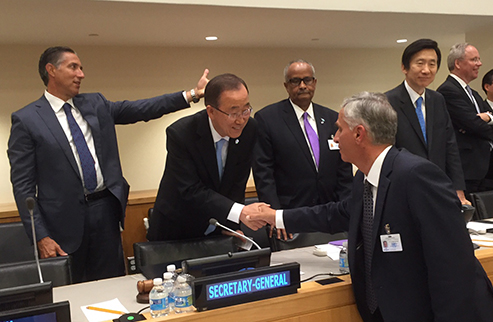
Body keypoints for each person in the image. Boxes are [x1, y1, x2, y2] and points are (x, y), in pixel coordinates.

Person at [249, 92, 493, 322]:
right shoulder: (367, 176)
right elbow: (335, 214)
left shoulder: (416, 176)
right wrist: (275, 217)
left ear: (359, 134)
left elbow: (454, 268)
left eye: (339, 129)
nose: (334, 138)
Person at [8, 46, 209, 283]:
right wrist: (41, 236)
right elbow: (23, 187)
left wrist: (191, 94)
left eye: (81, 68)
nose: (81, 74)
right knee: (72, 290)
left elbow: (140, 109)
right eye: (73, 67)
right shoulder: (27, 119)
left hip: (105, 211)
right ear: (51, 70)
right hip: (61, 225)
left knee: (111, 283)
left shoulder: (95, 103)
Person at [147, 73, 266, 242]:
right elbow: (191, 190)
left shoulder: (250, 129)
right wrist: (240, 212)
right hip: (177, 229)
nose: (241, 120)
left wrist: (232, 226)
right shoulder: (181, 134)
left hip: (218, 226)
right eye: (233, 113)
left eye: (245, 110)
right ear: (211, 111)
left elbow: (236, 183)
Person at [252, 59, 353, 240]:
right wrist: (276, 215)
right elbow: (263, 174)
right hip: (290, 216)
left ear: (314, 83)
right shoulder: (267, 119)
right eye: (295, 81)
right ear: (286, 86)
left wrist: (347, 209)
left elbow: (343, 170)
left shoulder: (331, 118)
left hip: (331, 214)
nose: (302, 85)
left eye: (307, 80)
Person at [385, 39, 468, 204]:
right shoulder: (387, 101)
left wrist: (458, 189)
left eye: (432, 64)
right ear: (404, 67)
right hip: (402, 187)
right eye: (420, 63)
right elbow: (386, 150)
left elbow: (450, 145)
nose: (426, 70)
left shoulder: (437, 100)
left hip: (437, 185)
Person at [437, 43, 493, 197]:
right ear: (458, 63)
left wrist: (488, 117)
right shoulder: (448, 90)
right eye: (474, 60)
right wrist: (486, 125)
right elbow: (475, 125)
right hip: (465, 170)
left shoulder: (472, 93)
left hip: (481, 169)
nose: (479, 64)